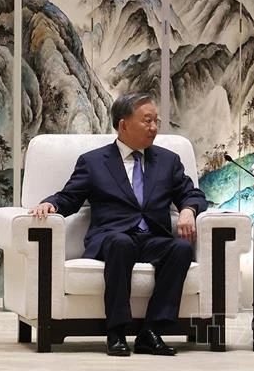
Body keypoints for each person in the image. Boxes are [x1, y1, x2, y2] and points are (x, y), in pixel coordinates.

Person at [30, 93, 208, 356]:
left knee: (180, 249)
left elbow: (192, 194)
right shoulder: (93, 162)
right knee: (121, 243)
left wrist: (188, 211)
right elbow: (70, 197)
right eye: (146, 121)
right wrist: (51, 205)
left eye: (156, 121)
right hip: (111, 237)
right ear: (123, 124)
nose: (154, 128)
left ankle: (151, 331)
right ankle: (116, 331)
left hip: (151, 238)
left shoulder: (168, 161)